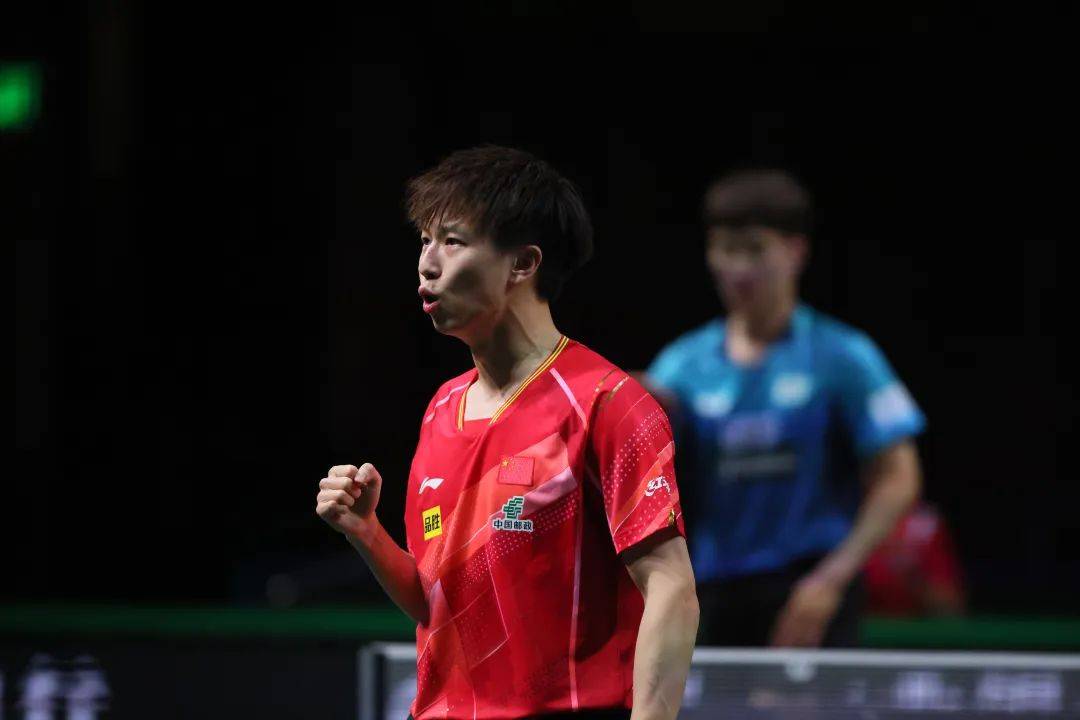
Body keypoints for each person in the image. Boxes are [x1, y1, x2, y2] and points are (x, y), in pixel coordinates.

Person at [316, 146, 698, 720]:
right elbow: (434, 601)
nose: (426, 263)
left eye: (452, 241)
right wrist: (365, 532)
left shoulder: (606, 404)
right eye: (424, 240)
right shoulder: (442, 408)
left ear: (522, 264)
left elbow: (672, 588)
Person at [645, 168, 925, 647]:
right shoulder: (680, 366)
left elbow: (899, 478)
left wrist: (831, 579)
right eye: (725, 249)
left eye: (755, 250)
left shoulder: (843, 355)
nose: (738, 268)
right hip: (711, 594)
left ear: (796, 252)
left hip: (810, 590)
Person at [864, 501, 966, 616]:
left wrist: (914, 579)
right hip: (862, 621)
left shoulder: (927, 526)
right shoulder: (852, 520)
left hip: (915, 622)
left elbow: (952, 607)